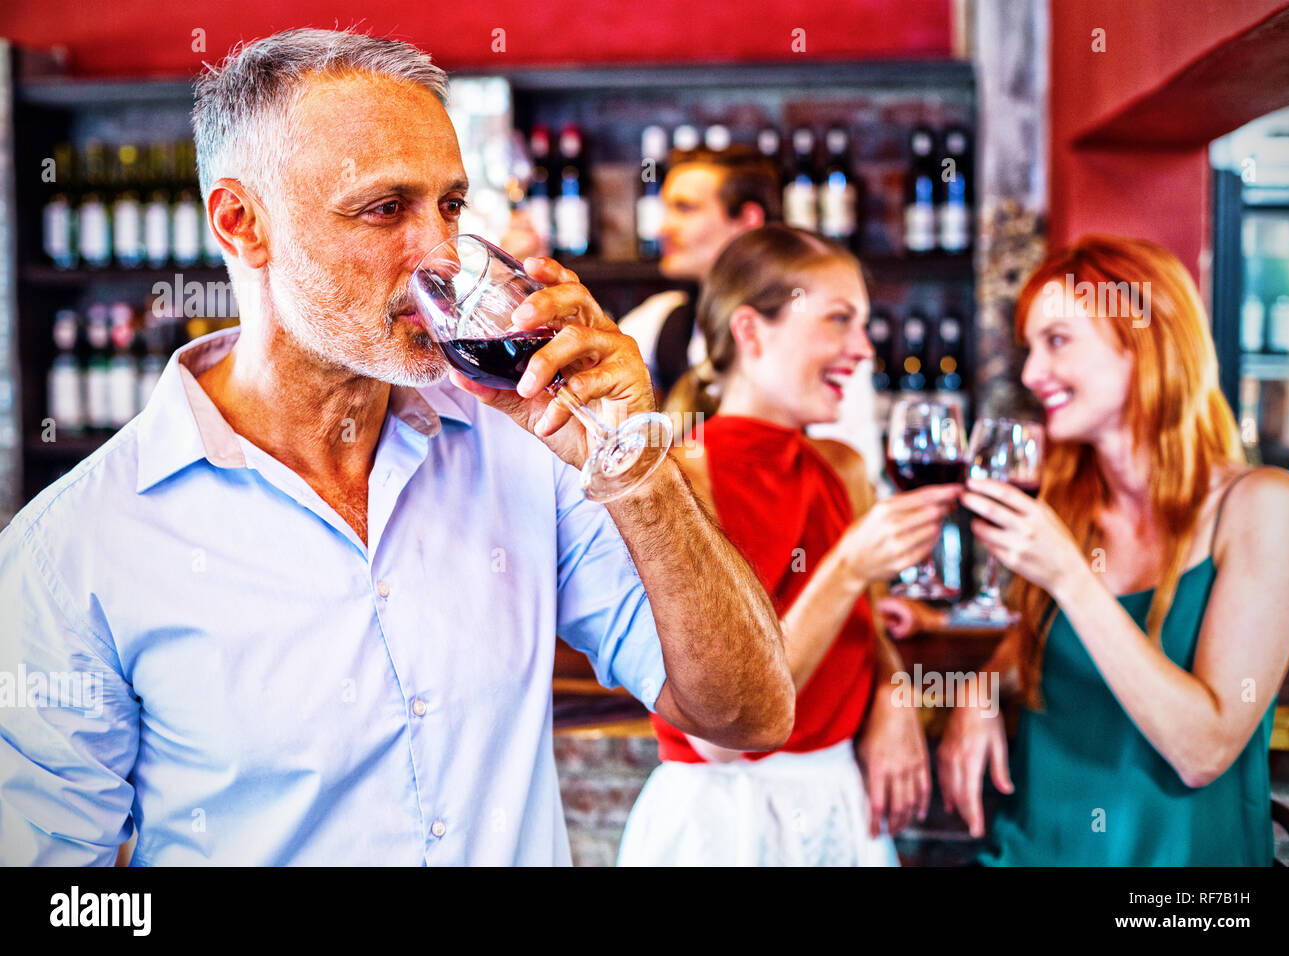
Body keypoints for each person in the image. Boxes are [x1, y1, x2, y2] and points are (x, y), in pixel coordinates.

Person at [0, 28, 796, 867]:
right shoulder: (74, 552)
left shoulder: (525, 443)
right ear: (242, 224)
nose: (443, 254)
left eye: (450, 205)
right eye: (386, 210)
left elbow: (747, 716)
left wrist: (637, 462)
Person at [931, 235, 1289, 866]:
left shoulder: (1264, 505)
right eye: (1030, 347)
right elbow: (1033, 643)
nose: (1029, 374)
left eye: (1057, 341)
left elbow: (1204, 752)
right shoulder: (1065, 501)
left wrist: (1072, 577)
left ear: (1143, 341)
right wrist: (980, 690)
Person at [616, 225, 961, 866]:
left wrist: (893, 692)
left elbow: (864, 626)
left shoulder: (844, 468)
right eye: (839, 320)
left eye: (863, 324)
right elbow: (725, 734)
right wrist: (851, 565)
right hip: (725, 823)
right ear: (751, 331)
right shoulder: (681, 480)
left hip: (839, 806)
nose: (863, 348)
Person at [618, 144, 779, 399]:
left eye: (684, 208)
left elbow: (848, 437)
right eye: (666, 209)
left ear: (747, 221)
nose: (663, 229)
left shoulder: (801, 324)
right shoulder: (660, 319)